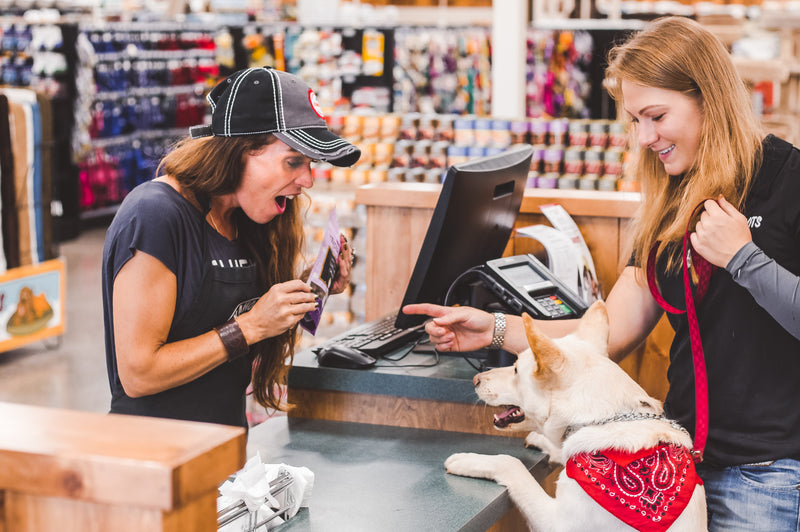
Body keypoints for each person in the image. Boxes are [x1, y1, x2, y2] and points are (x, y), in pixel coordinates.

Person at [405, 16, 800, 531]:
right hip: (676, 470)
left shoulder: (788, 180)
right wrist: (498, 329)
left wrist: (744, 258)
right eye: (634, 120)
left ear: (710, 97)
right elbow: (606, 332)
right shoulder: (669, 201)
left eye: (656, 116)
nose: (644, 138)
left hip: (765, 478)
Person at [102, 67, 360, 429]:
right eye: (293, 161)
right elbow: (139, 374)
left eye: (310, 164)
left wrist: (307, 293)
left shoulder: (246, 218)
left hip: (223, 452)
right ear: (241, 150)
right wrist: (250, 325)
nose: (307, 180)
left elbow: (238, 332)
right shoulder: (156, 215)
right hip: (153, 459)